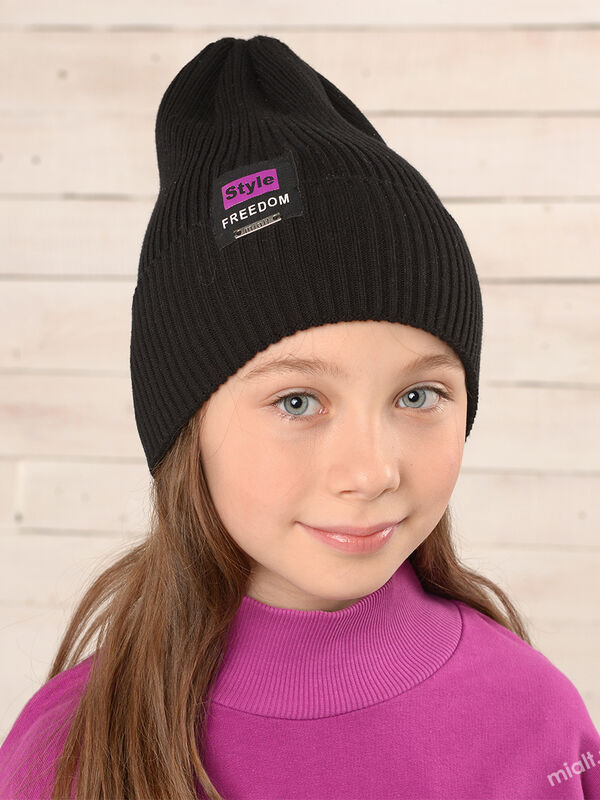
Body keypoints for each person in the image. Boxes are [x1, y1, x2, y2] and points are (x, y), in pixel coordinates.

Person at [0, 34, 598, 800]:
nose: (371, 472)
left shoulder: (537, 719)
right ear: (185, 427)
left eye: (418, 396)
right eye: (297, 402)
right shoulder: (72, 751)